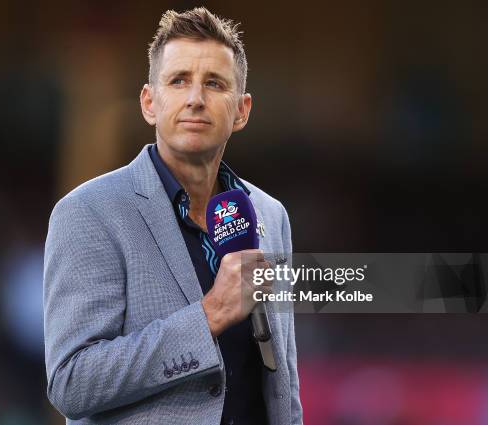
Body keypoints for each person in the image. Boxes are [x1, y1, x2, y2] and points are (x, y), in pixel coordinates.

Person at [43, 7, 303, 425]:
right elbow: (72, 383)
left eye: (214, 84)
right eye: (178, 80)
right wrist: (209, 316)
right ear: (150, 102)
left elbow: (282, 382)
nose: (195, 98)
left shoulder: (270, 216)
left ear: (242, 110)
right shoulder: (88, 212)